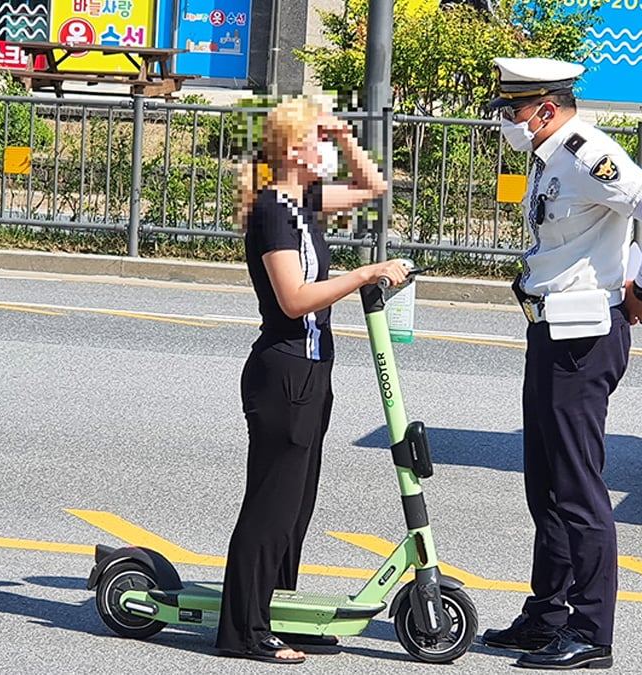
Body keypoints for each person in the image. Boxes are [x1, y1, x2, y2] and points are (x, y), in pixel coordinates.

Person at [479, 58, 642, 670]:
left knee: (577, 488)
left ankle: (591, 631)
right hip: (550, 329)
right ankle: (546, 616)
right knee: (544, 483)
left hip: (585, 337)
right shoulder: (550, 158)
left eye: (512, 111)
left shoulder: (587, 152)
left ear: (546, 108)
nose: (505, 121)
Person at [216, 96, 409, 665]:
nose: (327, 151)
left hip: (312, 371)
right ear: (292, 149)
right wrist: (365, 274)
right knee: (272, 505)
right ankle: (243, 629)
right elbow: (294, 300)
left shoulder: (304, 202)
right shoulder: (274, 208)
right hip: (284, 372)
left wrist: (341, 129)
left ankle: (278, 612)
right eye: (318, 141)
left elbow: (374, 186)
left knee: (296, 506)